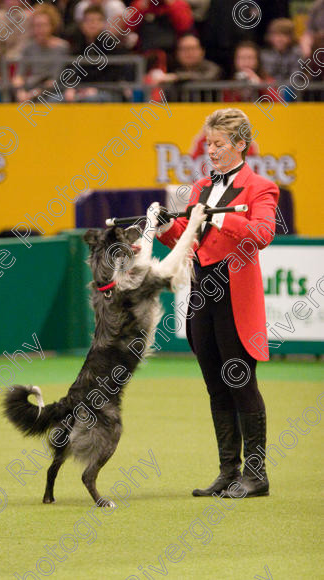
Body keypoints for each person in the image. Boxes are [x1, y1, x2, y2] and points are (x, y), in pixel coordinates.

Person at [156, 108, 279, 498]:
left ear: (241, 145)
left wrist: (220, 218)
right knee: (215, 385)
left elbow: (262, 233)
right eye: (209, 143)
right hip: (201, 292)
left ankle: (256, 475)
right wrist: (165, 226)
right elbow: (187, 236)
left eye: (219, 144)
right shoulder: (199, 188)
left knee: (241, 382)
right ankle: (229, 472)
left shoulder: (261, 187)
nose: (210, 151)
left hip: (234, 294)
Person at [13, 4, 69, 103]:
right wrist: (20, 92)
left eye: (44, 25)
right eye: (37, 25)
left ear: (52, 25)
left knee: (54, 99)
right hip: (31, 87)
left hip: (53, 91)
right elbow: (19, 76)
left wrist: (32, 94)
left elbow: (54, 80)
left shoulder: (62, 48)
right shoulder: (28, 48)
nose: (40, 29)